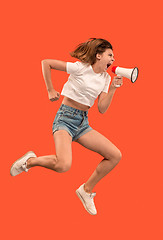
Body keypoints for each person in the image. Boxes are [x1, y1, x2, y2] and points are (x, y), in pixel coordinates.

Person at [10, 38, 123, 215]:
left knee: (115, 155)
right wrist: (50, 89)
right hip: (65, 118)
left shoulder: (106, 78)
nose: (113, 59)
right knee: (63, 165)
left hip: (83, 123)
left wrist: (114, 89)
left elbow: (101, 108)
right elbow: (46, 63)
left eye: (114, 56)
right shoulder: (81, 68)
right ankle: (30, 161)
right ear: (98, 55)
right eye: (110, 55)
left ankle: (86, 191)